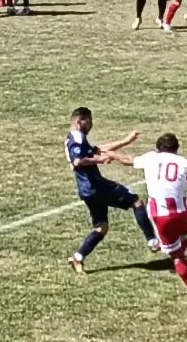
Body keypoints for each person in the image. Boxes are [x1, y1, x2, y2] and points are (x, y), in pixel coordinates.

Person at [108, 133, 187, 309]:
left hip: (161, 217)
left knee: (176, 257)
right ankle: (183, 237)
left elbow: (128, 160)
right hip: (182, 214)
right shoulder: (184, 162)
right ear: (176, 148)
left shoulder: (151, 158)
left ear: (158, 148)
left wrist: (112, 155)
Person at [65, 107, 160, 274]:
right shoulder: (77, 138)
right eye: (89, 121)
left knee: (101, 227)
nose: (91, 125)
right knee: (136, 201)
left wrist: (126, 141)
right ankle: (152, 240)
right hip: (96, 187)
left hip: (87, 191)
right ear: (79, 121)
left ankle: (78, 257)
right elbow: (78, 161)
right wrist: (100, 160)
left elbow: (99, 149)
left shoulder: (77, 138)